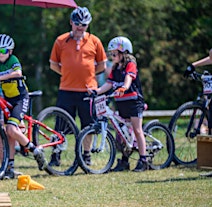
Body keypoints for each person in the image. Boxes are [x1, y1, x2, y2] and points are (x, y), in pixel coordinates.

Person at [0, 34, 46, 179]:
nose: (0, 54)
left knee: (11, 129)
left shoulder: (13, 60)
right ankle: (9, 168)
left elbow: (18, 72)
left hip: (20, 98)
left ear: (10, 51)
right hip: (6, 98)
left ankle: (35, 150)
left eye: (3, 51)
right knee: (9, 133)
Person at [49, 6, 107, 166]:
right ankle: (56, 155)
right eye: (77, 24)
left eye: (84, 24)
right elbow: (53, 64)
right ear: (71, 22)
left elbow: (102, 64)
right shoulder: (61, 41)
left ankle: (86, 155)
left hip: (88, 91)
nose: (80, 27)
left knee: (88, 125)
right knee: (60, 125)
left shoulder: (94, 41)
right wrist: (68, 73)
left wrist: (89, 75)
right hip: (66, 90)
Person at [89, 36, 148, 172]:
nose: (112, 56)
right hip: (121, 102)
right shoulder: (115, 68)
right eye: (111, 54)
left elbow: (129, 78)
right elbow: (109, 84)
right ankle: (124, 161)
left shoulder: (130, 65)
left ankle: (143, 159)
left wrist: (124, 87)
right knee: (122, 133)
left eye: (114, 53)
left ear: (124, 52)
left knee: (137, 130)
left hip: (134, 102)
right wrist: (96, 91)